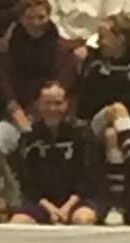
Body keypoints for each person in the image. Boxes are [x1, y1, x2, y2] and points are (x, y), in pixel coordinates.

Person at [0, 0, 78, 157]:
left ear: (49, 17)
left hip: (53, 115)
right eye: (29, 18)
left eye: (41, 17)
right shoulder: (8, 49)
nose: (36, 23)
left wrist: (38, 113)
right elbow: (5, 86)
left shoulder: (63, 50)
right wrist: (16, 112)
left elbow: (62, 86)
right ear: (21, 19)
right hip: (18, 115)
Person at [11, 81, 98, 225]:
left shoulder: (82, 132)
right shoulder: (29, 137)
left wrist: (66, 208)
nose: (52, 108)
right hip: (42, 202)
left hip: (77, 200)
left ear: (67, 104)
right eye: (47, 103)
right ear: (39, 105)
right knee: (18, 223)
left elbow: (88, 177)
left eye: (58, 103)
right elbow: (27, 181)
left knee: (82, 219)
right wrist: (50, 208)